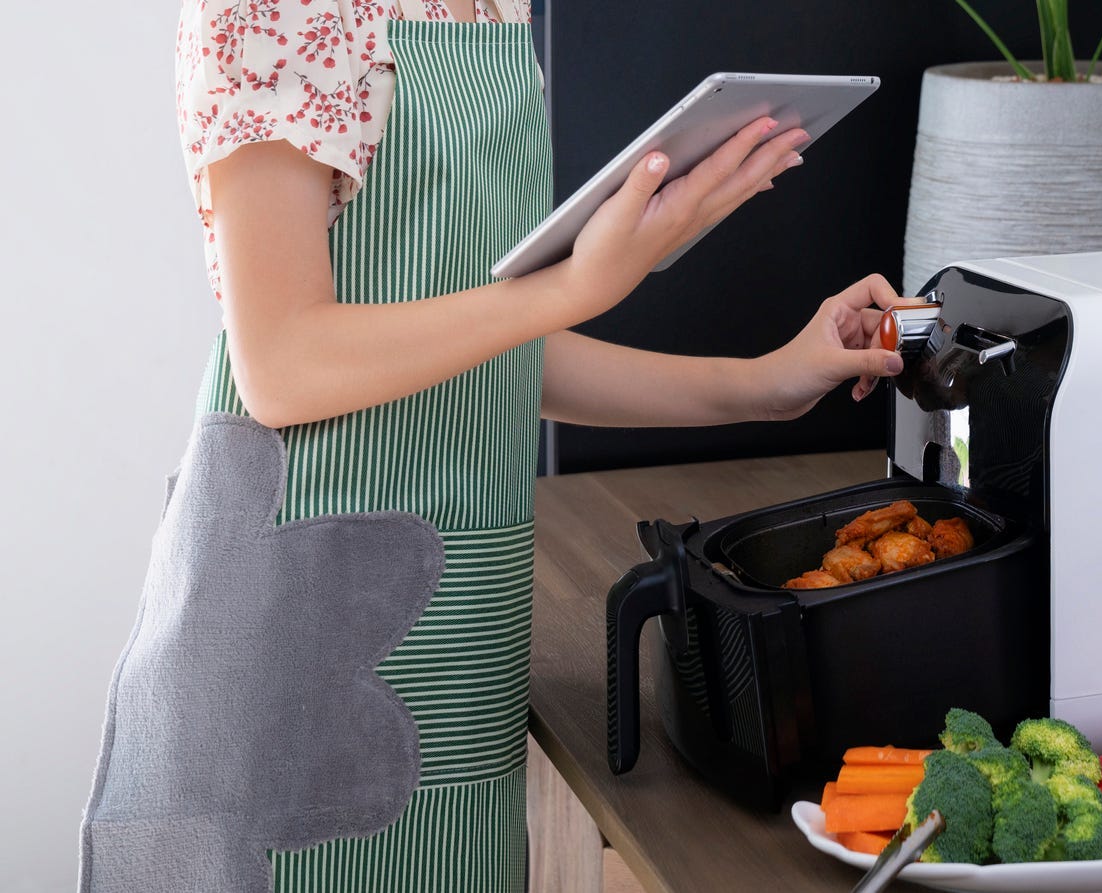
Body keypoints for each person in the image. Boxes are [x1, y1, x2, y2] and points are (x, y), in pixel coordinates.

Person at [78, 1, 910, 890]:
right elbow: (282, 362)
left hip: (466, 639)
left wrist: (767, 384)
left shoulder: (494, 9)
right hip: (297, 651)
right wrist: (576, 286)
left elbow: (487, 348)